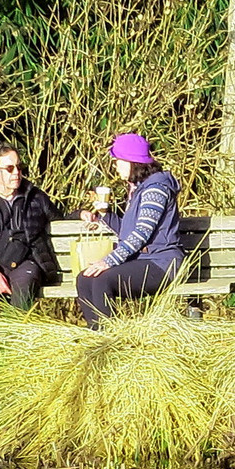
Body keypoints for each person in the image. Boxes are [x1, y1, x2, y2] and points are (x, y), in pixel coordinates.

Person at [76, 133, 184, 329]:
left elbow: (141, 233)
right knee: (84, 278)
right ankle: (97, 334)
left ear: (131, 162)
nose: (115, 166)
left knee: (102, 279)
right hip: (142, 260)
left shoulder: (155, 189)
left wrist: (108, 262)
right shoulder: (138, 188)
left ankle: (111, 339)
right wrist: (103, 215)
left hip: (162, 263)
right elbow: (128, 232)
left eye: (118, 161)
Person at [0, 142, 63, 309]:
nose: (16, 173)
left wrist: (81, 215)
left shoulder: (35, 197)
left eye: (19, 167)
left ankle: (18, 332)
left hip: (25, 263)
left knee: (24, 285)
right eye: (9, 168)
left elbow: (59, 220)